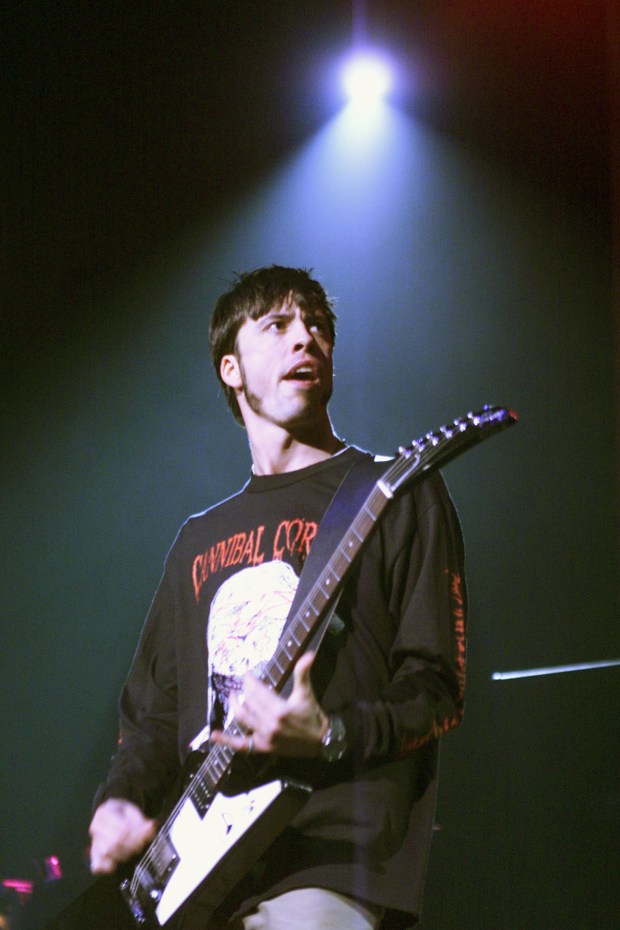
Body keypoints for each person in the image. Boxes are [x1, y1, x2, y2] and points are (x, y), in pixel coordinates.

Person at [88, 265, 467, 930]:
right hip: (196, 879)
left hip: (325, 861)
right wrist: (119, 801)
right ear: (230, 369)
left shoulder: (393, 493)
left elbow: (435, 687)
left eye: (318, 326)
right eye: (279, 326)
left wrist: (328, 733)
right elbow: (153, 716)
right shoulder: (197, 540)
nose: (307, 339)